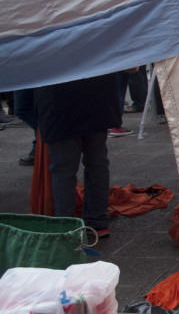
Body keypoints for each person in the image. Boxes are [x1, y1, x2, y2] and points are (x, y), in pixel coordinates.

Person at [34, 73, 121, 237]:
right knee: (97, 164)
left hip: (58, 101)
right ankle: (97, 222)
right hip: (96, 95)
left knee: (64, 171)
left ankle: (68, 228)